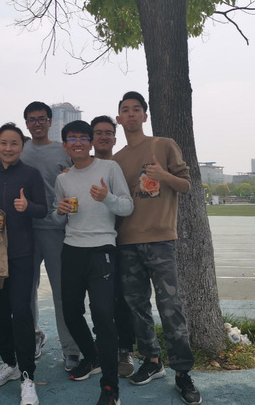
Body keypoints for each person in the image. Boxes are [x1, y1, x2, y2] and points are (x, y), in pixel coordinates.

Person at [113, 91, 202, 405]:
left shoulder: (164, 145)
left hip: (161, 240)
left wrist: (162, 175)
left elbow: (186, 185)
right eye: (126, 110)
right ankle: (152, 361)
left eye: (136, 109)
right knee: (137, 307)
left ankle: (182, 372)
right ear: (119, 118)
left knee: (170, 307)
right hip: (127, 242)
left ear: (145, 115)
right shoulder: (116, 159)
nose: (131, 114)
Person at [54, 120, 133, 405]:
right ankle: (92, 356)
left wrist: (107, 197)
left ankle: (110, 388)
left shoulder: (109, 168)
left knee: (102, 315)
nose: (78, 143)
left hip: (102, 250)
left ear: (90, 142)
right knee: (71, 313)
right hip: (71, 250)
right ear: (65, 145)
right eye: (71, 139)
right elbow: (55, 217)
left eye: (83, 138)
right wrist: (59, 211)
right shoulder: (63, 179)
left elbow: (127, 206)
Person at [0, 123, 46, 405]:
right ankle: (10, 363)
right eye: (3, 142)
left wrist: (28, 208)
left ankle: (28, 376)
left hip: (22, 255)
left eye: (14, 143)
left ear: (22, 146)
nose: (8, 148)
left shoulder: (31, 174)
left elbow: (43, 209)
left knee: (21, 312)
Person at [20, 101, 80, 371]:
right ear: (26, 123)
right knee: (26, 290)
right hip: (26, 231)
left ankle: (71, 348)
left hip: (57, 231)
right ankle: (33, 336)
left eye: (41, 118)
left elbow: (78, 178)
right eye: (32, 119)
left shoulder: (62, 150)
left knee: (62, 292)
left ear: (50, 121)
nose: (37, 123)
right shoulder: (20, 149)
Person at [90, 115, 136, 379]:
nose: (103, 137)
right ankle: (103, 343)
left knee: (122, 296)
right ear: (91, 138)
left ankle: (124, 349)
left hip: (123, 239)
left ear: (114, 138)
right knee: (99, 299)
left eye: (108, 133)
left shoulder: (120, 165)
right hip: (93, 243)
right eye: (98, 132)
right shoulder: (81, 166)